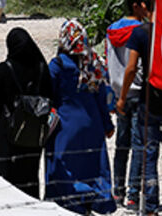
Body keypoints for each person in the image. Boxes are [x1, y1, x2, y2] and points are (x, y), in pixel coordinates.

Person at [118, 0, 162, 215]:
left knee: (148, 151)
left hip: (150, 98)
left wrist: (122, 97)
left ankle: (149, 204)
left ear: (144, 6)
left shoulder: (141, 33)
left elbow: (130, 69)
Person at [48, 20, 115, 214]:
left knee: (67, 165)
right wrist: (107, 123)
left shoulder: (58, 65)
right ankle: (94, 201)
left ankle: (72, 204)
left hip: (66, 123)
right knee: (93, 164)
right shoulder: (94, 64)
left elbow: (49, 93)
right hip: (92, 123)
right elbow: (102, 97)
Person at [0, 27, 53, 197]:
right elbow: (50, 97)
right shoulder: (41, 68)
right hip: (33, 134)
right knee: (29, 177)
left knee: (5, 179)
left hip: (8, 132)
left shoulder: (3, 69)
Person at [106, 0, 145, 208]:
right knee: (138, 145)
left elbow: (108, 61)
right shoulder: (142, 30)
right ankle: (133, 193)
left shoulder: (111, 29)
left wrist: (112, 95)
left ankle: (117, 192)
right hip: (138, 92)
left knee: (122, 145)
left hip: (119, 92)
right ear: (136, 5)